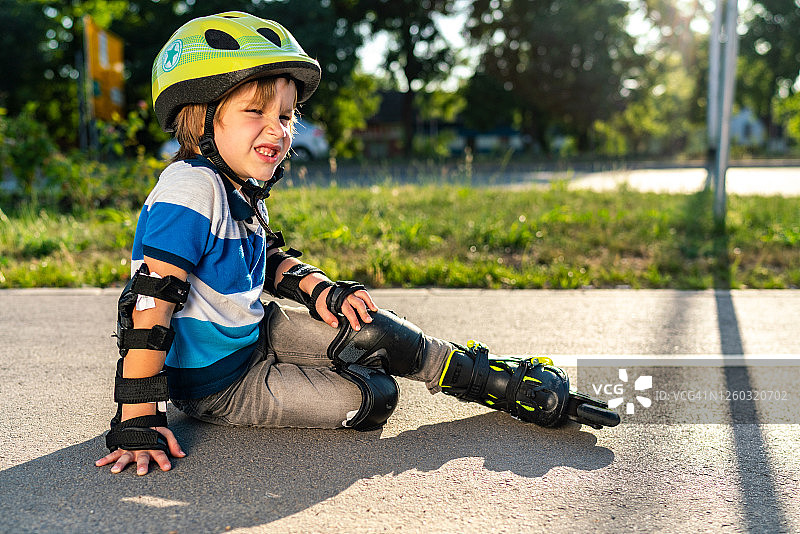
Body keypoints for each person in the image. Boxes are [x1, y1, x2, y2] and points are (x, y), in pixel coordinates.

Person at [96, 11, 618, 477]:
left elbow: (264, 260)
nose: (277, 130)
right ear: (202, 116)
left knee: (374, 330)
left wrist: (323, 291)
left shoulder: (237, 187)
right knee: (372, 397)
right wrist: (138, 413)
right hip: (216, 385)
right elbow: (151, 299)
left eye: (285, 116)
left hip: (254, 337)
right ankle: (406, 373)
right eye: (255, 113)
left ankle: (495, 383)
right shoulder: (190, 187)